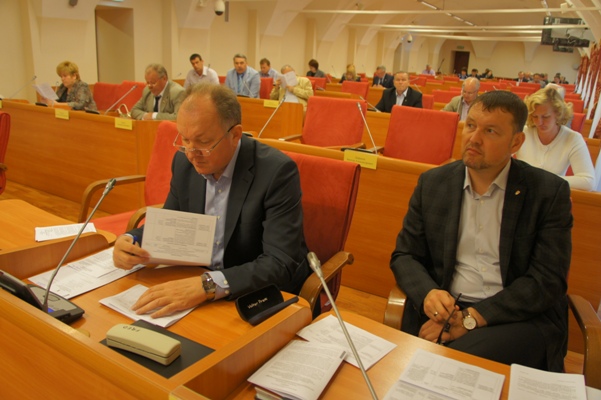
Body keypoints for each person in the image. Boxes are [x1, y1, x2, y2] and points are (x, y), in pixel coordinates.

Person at [390, 90, 573, 373]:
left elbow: (548, 280)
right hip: (448, 309)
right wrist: (428, 294)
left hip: (518, 317)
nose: (474, 138)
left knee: (441, 365)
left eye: (490, 131)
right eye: (471, 125)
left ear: (516, 142)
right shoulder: (433, 183)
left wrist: (472, 318)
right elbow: (405, 255)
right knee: (438, 364)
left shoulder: (547, 192)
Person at [113, 84, 312, 317]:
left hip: (252, 294)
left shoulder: (276, 172)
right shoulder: (184, 163)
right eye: (185, 139)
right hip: (196, 285)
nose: (191, 153)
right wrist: (132, 241)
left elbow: (279, 263)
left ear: (235, 135)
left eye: (203, 142)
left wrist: (208, 284)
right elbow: (171, 224)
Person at [516, 86, 595, 191]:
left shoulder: (573, 138)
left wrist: (544, 179)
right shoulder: (523, 132)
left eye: (545, 117)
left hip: (552, 195)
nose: (539, 122)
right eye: (535, 116)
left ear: (558, 114)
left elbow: (588, 182)